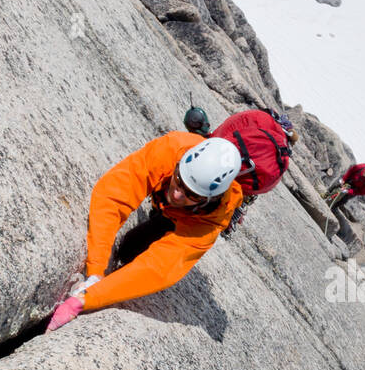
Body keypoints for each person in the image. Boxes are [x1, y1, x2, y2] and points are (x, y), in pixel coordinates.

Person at [46, 133, 243, 331]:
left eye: (191, 194)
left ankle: (165, 218)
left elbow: (158, 267)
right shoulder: (170, 149)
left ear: (209, 199)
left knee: (132, 249)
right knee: (128, 248)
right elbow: (114, 197)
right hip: (165, 197)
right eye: (179, 180)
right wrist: (96, 272)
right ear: (178, 165)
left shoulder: (213, 219)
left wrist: (88, 299)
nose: (177, 194)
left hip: (182, 218)